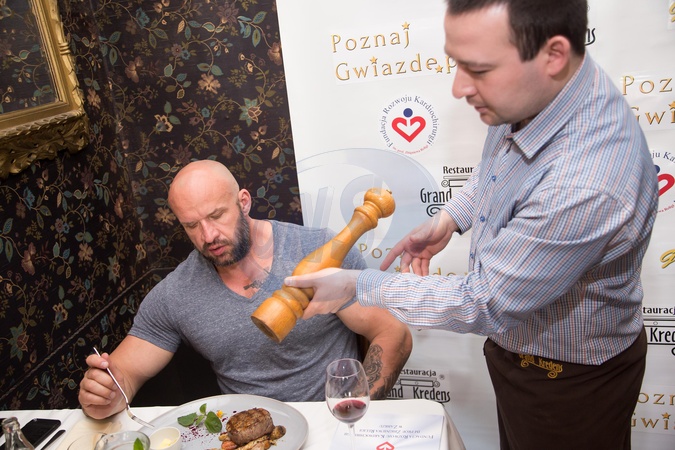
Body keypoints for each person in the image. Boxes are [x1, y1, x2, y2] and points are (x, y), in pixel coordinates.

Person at [284, 1, 659, 449]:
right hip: (523, 357)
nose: (459, 87)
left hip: (568, 384)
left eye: (478, 70)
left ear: (554, 55)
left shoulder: (586, 181)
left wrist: (356, 285)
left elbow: (486, 300)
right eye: (457, 64)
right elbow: (503, 166)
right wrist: (451, 217)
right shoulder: (541, 93)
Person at [78, 160, 412, 420]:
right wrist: (105, 393)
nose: (208, 236)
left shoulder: (322, 252)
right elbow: (125, 375)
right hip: (248, 433)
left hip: (330, 421)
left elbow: (393, 334)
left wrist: (355, 408)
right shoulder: (175, 294)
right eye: (192, 225)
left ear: (243, 202)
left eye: (216, 215)